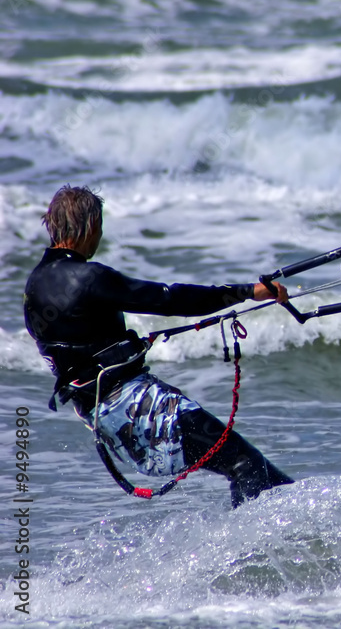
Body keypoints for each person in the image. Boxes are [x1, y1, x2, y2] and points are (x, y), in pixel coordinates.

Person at [23, 185, 294, 508]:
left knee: (239, 464)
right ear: (91, 225)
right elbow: (170, 298)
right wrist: (247, 291)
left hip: (108, 423)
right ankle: (261, 548)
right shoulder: (89, 277)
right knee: (247, 465)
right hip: (142, 409)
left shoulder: (33, 286)